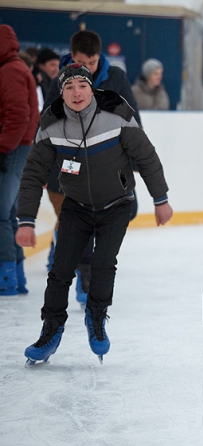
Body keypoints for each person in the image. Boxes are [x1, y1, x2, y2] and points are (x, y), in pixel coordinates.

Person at [17, 64, 173, 365]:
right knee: (61, 270)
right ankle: (51, 329)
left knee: (103, 263)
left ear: (92, 88)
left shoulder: (116, 111)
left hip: (117, 204)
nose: (77, 92)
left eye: (82, 85)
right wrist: (26, 219)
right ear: (61, 93)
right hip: (75, 205)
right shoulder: (51, 122)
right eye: (69, 87)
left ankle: (97, 319)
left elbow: (146, 155)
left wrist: (160, 198)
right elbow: (33, 173)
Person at [42, 29, 143, 307]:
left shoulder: (116, 78)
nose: (87, 70)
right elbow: (46, 124)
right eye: (81, 64)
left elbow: (131, 119)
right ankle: (85, 281)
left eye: (93, 63)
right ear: (71, 57)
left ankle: (72, 256)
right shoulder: (59, 82)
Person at [0, 25, 40, 298]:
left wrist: (3, 147)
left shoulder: (10, 70)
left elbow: (19, 115)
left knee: (1, 215)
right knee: (9, 216)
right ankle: (17, 277)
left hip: (13, 150)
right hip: (19, 149)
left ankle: (6, 279)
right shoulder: (14, 67)